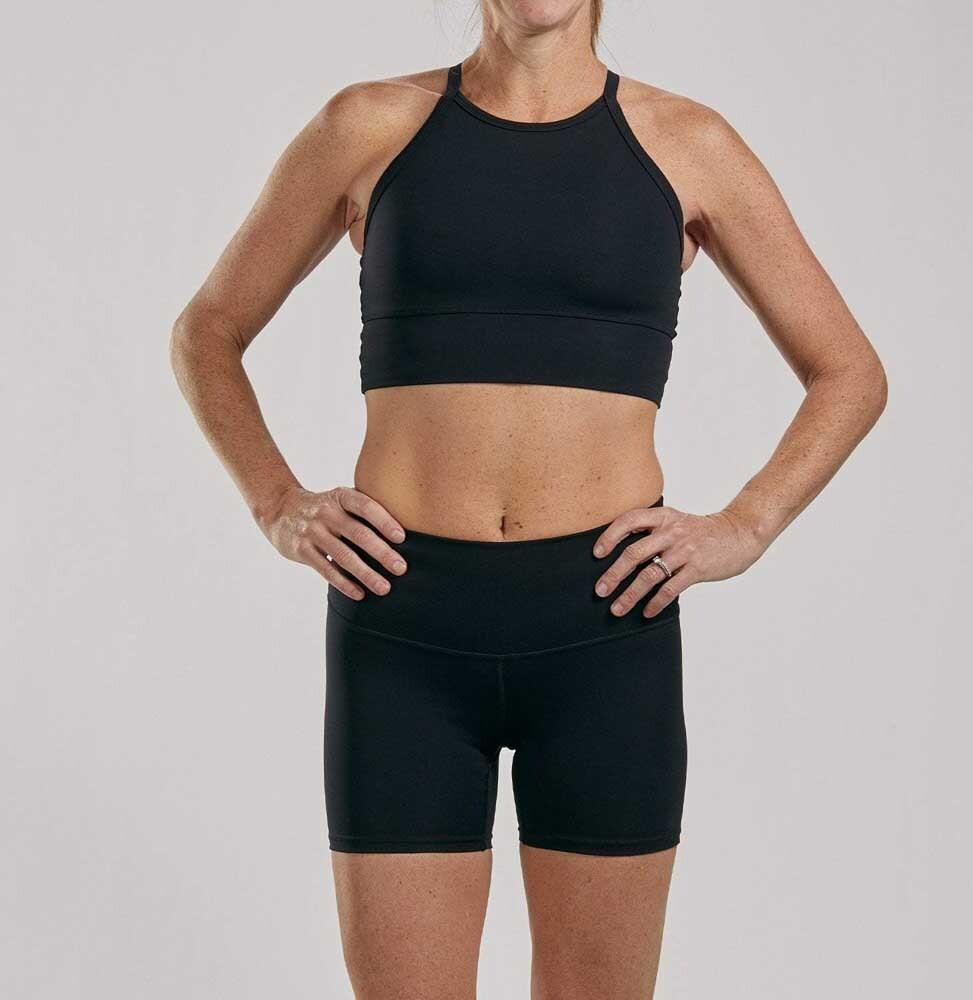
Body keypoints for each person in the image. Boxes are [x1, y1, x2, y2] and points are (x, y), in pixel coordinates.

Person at [170, 2, 887, 996]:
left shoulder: (687, 143)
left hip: (604, 624)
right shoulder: (369, 125)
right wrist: (275, 502)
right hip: (404, 626)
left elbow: (848, 371)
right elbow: (207, 329)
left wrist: (746, 524)